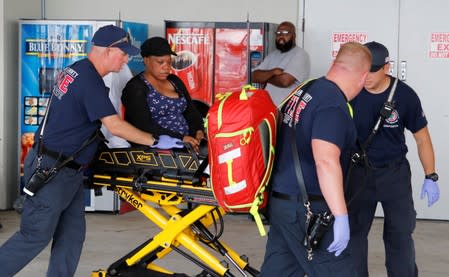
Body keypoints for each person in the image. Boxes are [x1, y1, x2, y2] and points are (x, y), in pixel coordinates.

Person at [0, 25, 181, 277]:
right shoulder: (88, 80)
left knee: (72, 235)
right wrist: (154, 141)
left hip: (68, 170)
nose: (126, 59)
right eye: (123, 53)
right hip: (52, 170)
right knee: (34, 236)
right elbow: (114, 125)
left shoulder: (77, 70)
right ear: (108, 51)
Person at [259, 42, 372, 277]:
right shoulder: (332, 104)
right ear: (363, 77)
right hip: (309, 210)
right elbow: (326, 161)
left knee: (279, 272)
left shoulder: (306, 90)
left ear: (334, 65)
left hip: (283, 205)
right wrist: (340, 216)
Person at [348, 41, 440, 277]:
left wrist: (431, 175)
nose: (366, 76)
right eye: (363, 69)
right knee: (354, 235)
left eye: (373, 70)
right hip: (358, 173)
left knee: (399, 234)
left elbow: (422, 138)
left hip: (394, 174)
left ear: (387, 68)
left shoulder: (405, 96)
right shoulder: (350, 91)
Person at [121, 36, 205, 153]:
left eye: (169, 62)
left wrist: (198, 130)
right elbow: (143, 125)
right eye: (160, 62)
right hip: (156, 149)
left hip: (188, 144)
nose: (166, 67)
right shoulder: (135, 88)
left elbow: (191, 110)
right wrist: (180, 138)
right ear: (146, 60)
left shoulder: (174, 81)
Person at [251, 21, 310, 106]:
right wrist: (273, 72)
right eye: (278, 33)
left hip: (287, 111)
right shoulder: (272, 55)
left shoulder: (300, 54)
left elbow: (285, 81)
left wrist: (265, 77)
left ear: (294, 36)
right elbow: (254, 76)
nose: (281, 36)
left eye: (285, 33)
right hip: (268, 108)